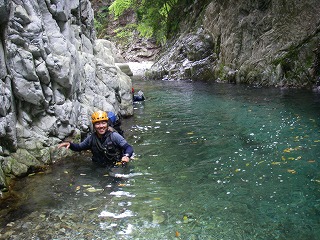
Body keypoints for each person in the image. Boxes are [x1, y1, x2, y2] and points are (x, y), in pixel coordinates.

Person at [58, 110, 133, 167]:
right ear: (94, 126)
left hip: (116, 166)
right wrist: (70, 144)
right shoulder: (91, 138)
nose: (101, 126)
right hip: (99, 167)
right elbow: (79, 147)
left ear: (107, 124)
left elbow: (128, 147)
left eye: (103, 123)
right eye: (97, 123)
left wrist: (126, 156)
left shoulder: (114, 136)